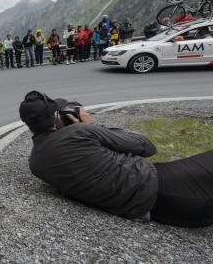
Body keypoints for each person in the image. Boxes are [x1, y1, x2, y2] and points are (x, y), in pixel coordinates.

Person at [19, 91, 213, 228]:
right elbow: (147, 146)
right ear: (57, 117)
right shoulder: (80, 131)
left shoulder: (35, 164)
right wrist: (92, 125)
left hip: (155, 211)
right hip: (165, 186)